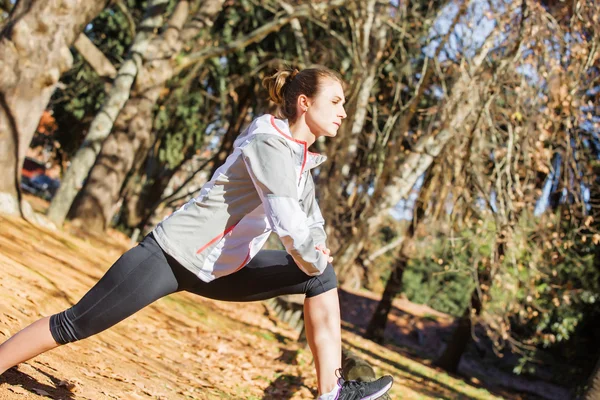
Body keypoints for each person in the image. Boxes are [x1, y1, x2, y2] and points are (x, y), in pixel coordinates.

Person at [0, 66, 393, 400]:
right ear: (305, 102)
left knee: (320, 276)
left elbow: (311, 219)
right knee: (75, 324)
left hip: (223, 270)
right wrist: (310, 251)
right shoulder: (271, 146)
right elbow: (289, 222)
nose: (343, 111)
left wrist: (318, 249)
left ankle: (332, 393)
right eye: (337, 101)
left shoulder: (299, 158)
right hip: (171, 257)